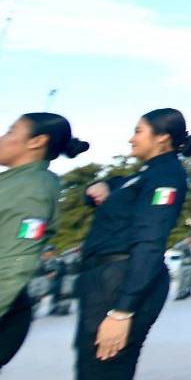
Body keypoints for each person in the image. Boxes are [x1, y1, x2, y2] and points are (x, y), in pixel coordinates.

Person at [76, 108, 191, 379]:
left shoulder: (167, 176)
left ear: (162, 138)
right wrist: (102, 186)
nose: (132, 138)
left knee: (105, 367)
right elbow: (117, 187)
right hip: (105, 278)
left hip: (121, 279)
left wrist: (122, 310)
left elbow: (150, 241)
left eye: (138, 131)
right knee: (92, 366)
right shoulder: (145, 174)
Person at [0, 112, 89, 369]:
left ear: (36, 141)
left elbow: (18, 258)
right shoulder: (15, 182)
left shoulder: (32, 189)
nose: (3, 138)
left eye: (10, 132)